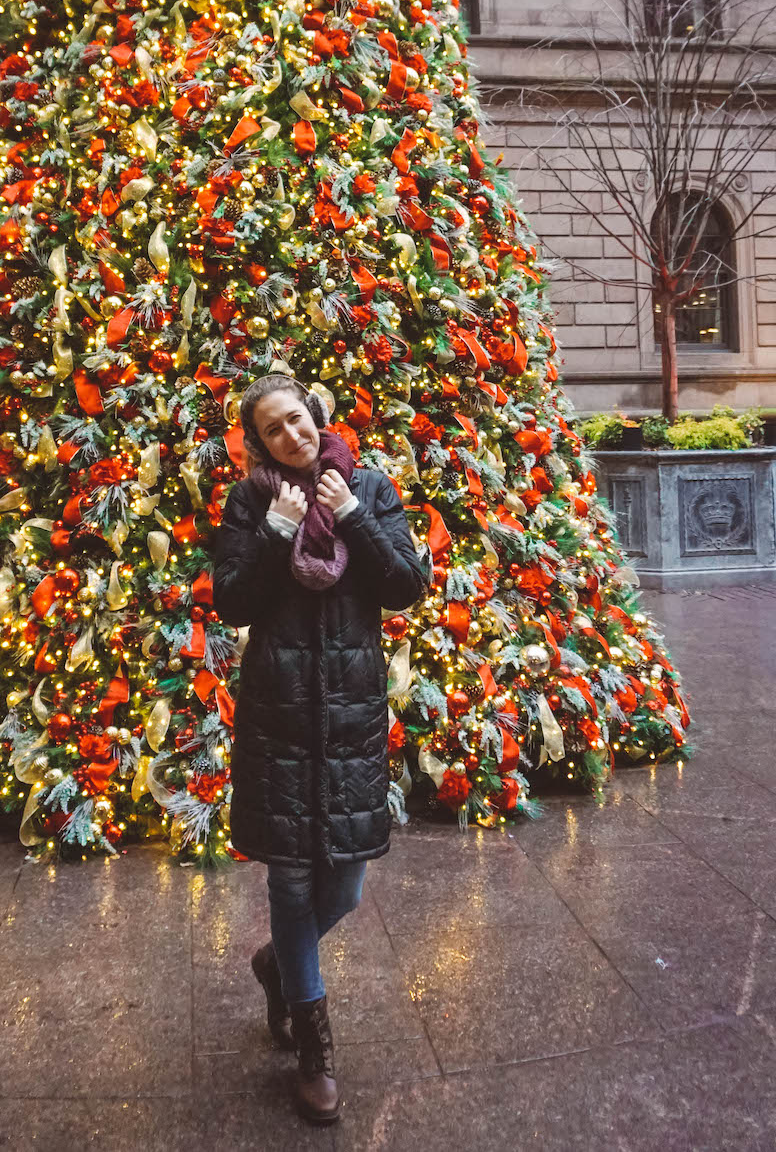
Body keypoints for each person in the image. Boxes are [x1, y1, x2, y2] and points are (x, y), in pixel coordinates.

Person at [213, 373, 428, 1125]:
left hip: (349, 713)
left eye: (297, 419)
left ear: (318, 416)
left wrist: (353, 517)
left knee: (346, 886)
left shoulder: (367, 484)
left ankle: (277, 963)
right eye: (272, 428)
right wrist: (276, 531)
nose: (291, 435)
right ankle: (313, 1040)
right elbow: (231, 599)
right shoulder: (250, 502)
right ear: (259, 442)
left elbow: (406, 584)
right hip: (277, 711)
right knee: (294, 879)